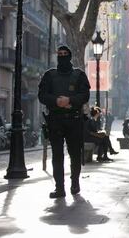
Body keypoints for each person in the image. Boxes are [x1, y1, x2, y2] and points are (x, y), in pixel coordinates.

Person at [38, 45, 90, 199]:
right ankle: (59, 188)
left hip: (74, 119)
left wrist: (70, 100)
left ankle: (75, 183)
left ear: (70, 56)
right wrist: (56, 101)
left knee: (74, 153)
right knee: (57, 155)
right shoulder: (49, 75)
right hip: (55, 120)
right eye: (59, 54)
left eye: (65, 53)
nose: (62, 56)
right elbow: (42, 95)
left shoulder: (79, 75)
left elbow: (85, 95)